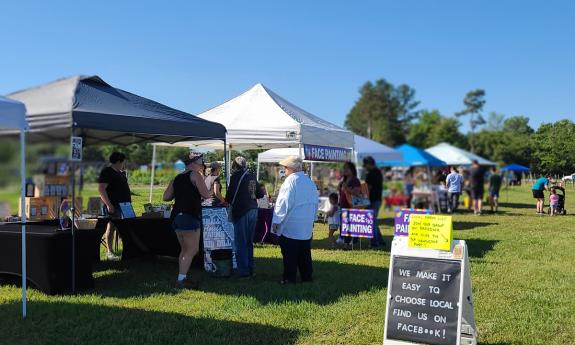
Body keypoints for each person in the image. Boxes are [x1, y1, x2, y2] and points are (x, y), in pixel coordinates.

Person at [163, 152, 211, 289]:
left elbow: (166, 197)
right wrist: (213, 192)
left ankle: (182, 276)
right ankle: (181, 280)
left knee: (184, 250)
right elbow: (206, 194)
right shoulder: (196, 175)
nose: (202, 164)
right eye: (201, 162)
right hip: (190, 216)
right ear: (194, 163)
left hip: (177, 216)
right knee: (192, 249)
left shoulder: (176, 178)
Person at [271, 156, 318, 284]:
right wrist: (313, 219)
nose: (284, 170)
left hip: (292, 224)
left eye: (285, 167)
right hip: (306, 223)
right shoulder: (309, 182)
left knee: (289, 254)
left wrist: (276, 221)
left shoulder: (290, 181)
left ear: (291, 168)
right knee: (304, 253)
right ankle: (306, 277)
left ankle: (289, 278)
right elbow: (315, 202)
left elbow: (284, 203)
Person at [225, 156, 264, 278]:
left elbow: (229, 197)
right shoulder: (251, 176)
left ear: (235, 166)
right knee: (248, 242)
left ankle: (243, 272)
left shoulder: (235, 177)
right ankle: (251, 269)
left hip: (241, 211)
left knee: (240, 242)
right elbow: (260, 194)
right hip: (253, 209)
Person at [98, 152, 131, 260]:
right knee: (111, 227)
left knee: (127, 228)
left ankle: (129, 250)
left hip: (125, 205)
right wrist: (109, 205)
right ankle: (109, 251)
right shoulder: (107, 172)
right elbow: (101, 189)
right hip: (114, 205)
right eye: (123, 162)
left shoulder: (120, 172)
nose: (124, 164)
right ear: (118, 161)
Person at [338, 161, 361, 249]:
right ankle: (346, 242)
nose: (345, 170)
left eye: (347, 168)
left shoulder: (355, 180)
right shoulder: (343, 180)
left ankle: (347, 244)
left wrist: (346, 188)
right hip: (343, 205)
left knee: (348, 225)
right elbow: (341, 192)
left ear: (352, 170)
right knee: (344, 225)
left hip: (351, 206)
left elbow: (357, 192)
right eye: (344, 168)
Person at [363, 156, 384, 247]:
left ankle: (374, 242)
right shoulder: (378, 172)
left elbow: (369, 188)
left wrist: (363, 198)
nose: (365, 167)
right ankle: (381, 240)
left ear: (368, 164)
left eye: (365, 165)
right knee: (374, 220)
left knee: (372, 221)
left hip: (372, 200)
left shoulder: (371, 174)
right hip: (377, 199)